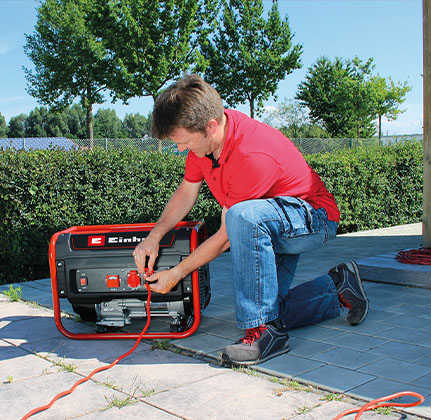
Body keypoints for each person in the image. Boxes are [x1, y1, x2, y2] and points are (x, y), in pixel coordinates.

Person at [132, 74, 369, 366]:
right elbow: (186, 191)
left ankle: (265, 333)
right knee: (267, 306)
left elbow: (227, 235)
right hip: (272, 219)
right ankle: (337, 285)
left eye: (184, 142)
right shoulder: (204, 143)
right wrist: (153, 237)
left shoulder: (250, 153)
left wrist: (176, 273)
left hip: (312, 218)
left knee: (240, 218)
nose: (181, 149)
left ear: (211, 127)